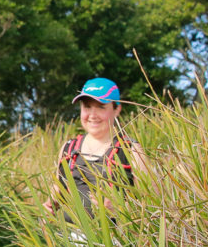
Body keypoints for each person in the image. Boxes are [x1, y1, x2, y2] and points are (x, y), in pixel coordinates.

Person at [43, 77, 145, 221]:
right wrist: (48, 207)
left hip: (116, 241)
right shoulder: (68, 149)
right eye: (87, 107)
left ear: (117, 109)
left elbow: (153, 205)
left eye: (101, 107)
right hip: (70, 239)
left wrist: (120, 209)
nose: (92, 115)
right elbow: (57, 193)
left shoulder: (131, 150)